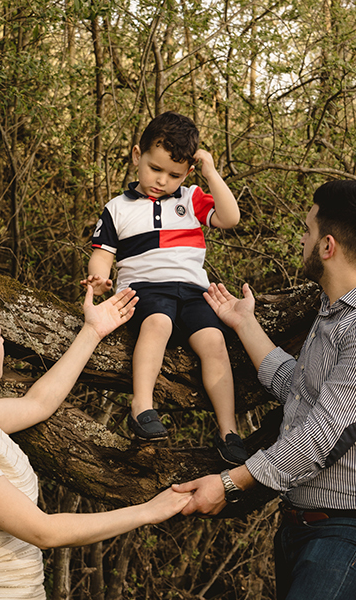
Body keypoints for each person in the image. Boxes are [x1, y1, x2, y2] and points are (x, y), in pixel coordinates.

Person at [173, 180, 356, 600]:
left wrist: (229, 483)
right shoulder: (336, 311)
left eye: (308, 231)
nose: (302, 238)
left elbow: (326, 435)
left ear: (327, 246)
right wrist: (245, 324)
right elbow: (301, 391)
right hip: (305, 526)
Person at [0, 288, 192, 599]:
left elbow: (39, 403)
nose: (3, 342)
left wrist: (93, 330)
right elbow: (44, 532)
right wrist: (148, 512)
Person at [81, 111, 248, 465]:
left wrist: (211, 173)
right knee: (158, 323)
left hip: (191, 291)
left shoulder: (190, 198)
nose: (162, 180)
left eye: (173, 175)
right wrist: (99, 279)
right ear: (136, 154)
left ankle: (228, 430)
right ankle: (142, 406)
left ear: (187, 172)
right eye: (155, 169)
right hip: (145, 289)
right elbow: (102, 255)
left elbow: (230, 218)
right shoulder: (118, 208)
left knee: (214, 342)